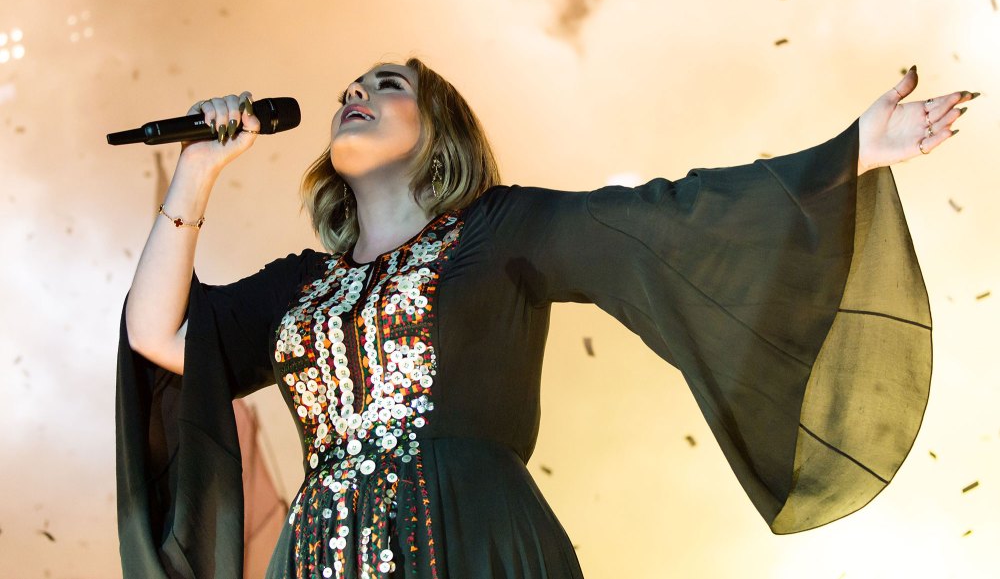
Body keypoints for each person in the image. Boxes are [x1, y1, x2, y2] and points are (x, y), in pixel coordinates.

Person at [116, 57, 976, 578]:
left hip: (472, 540)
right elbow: (158, 335)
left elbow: (667, 214)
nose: (356, 91)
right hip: (321, 560)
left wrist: (850, 150)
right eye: (350, 85)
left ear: (439, 131)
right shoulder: (301, 287)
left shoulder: (501, 229)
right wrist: (196, 169)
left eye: (387, 85)